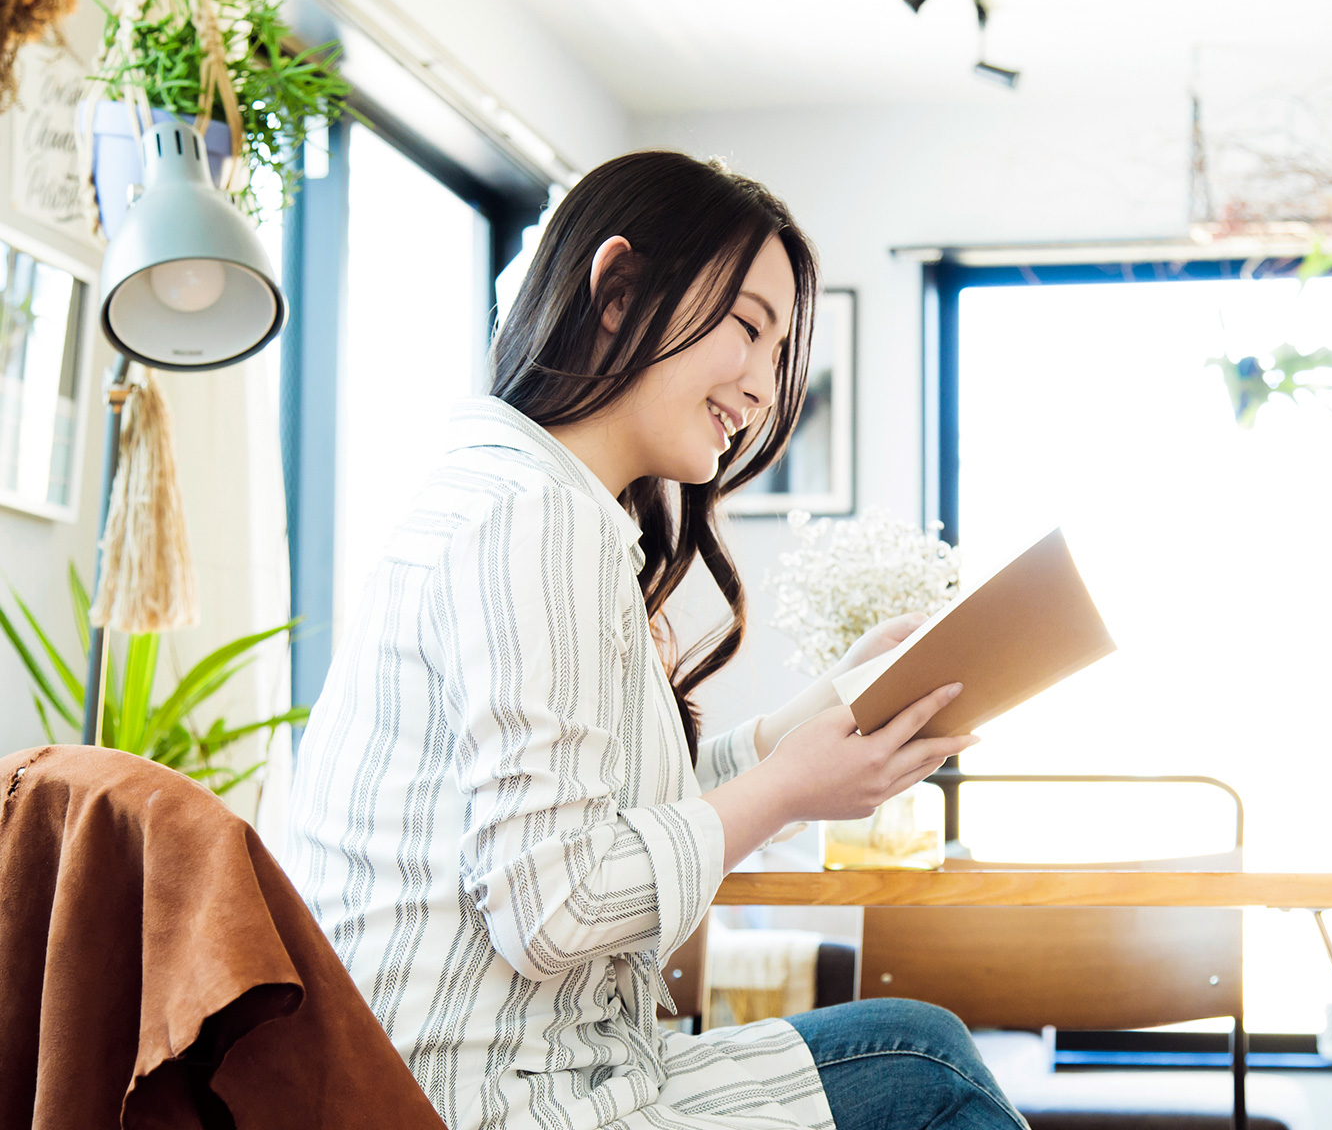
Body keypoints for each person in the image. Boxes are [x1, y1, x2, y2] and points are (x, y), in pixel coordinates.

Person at [285, 150, 1028, 1130]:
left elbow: (617, 811)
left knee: (923, 1050)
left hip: (536, 1076)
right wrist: (790, 790)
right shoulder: (533, 523)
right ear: (619, 290)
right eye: (750, 330)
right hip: (488, 1103)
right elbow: (553, 908)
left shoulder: (528, 502)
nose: (764, 388)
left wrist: (832, 706)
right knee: (926, 1072)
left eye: (780, 354)